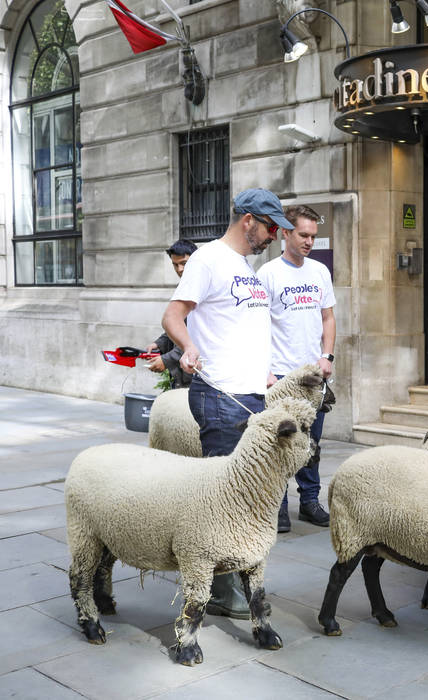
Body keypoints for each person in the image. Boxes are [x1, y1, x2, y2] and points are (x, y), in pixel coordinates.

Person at [160, 188, 290, 619]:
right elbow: (173, 315)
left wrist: (266, 372)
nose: (275, 235)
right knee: (226, 497)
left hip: (252, 394)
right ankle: (220, 589)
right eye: (271, 227)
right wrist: (188, 347)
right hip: (220, 396)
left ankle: (236, 579)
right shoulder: (208, 259)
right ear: (248, 219)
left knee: (248, 495)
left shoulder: (246, 267)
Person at [258, 205, 335, 532]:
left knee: (310, 445)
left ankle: (309, 501)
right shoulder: (267, 274)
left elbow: (328, 318)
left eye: (313, 236)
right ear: (285, 233)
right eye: (303, 235)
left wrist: (327, 356)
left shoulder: (319, 271)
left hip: (312, 378)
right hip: (279, 379)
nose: (309, 242)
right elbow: (257, 326)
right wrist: (264, 371)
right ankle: (278, 506)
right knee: (281, 444)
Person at [145, 239, 198, 389]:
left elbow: (195, 337)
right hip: (182, 378)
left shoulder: (201, 288)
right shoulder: (184, 285)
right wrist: (160, 343)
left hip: (199, 378)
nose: (179, 269)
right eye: (175, 264)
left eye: (184, 263)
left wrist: (166, 360)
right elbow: (180, 325)